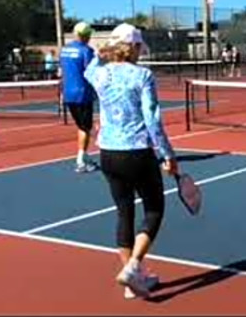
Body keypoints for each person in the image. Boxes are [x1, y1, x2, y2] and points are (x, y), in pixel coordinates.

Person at [84, 23, 178, 300]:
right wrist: (167, 154)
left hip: (108, 154)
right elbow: (152, 119)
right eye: (139, 46)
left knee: (124, 212)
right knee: (154, 209)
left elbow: (91, 65)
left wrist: (103, 52)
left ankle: (131, 281)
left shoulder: (98, 74)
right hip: (137, 152)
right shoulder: (143, 75)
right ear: (135, 47)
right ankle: (134, 266)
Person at [59, 22, 98, 173]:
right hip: (83, 94)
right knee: (85, 128)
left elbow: (62, 71)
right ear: (87, 35)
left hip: (68, 94)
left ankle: (84, 154)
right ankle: (81, 160)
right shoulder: (87, 51)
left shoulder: (64, 50)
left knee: (82, 127)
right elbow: (91, 72)